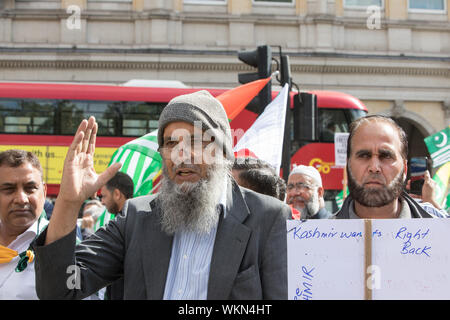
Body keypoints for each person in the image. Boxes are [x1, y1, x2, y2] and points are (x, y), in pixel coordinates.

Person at [32, 90, 290, 300]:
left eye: (195, 141)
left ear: (222, 152)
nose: (181, 154)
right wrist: (68, 202)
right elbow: (60, 289)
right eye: (171, 143)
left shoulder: (268, 217)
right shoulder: (136, 217)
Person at [334, 115, 448, 219]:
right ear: (348, 166)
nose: (374, 167)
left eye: (386, 156)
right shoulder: (319, 238)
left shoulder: (443, 230)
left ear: (404, 169)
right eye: (364, 155)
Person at [0, 149, 49, 299]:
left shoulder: (63, 245)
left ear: (44, 191)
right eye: (9, 189)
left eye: (30, 189)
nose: (21, 199)